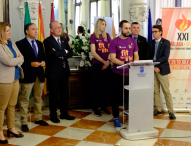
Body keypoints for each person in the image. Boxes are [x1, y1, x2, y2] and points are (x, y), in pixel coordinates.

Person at [16, 23, 49, 132]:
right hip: (27, 75)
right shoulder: (20, 44)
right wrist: (30, 64)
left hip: (39, 75)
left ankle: (38, 118)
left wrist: (44, 61)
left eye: (37, 29)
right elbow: (18, 61)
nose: (36, 31)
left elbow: (43, 56)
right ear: (27, 31)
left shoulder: (39, 43)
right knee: (24, 100)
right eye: (33, 29)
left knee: (38, 98)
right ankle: (24, 122)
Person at [44, 21, 75, 123]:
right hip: (53, 72)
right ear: (51, 30)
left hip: (64, 70)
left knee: (64, 93)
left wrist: (61, 53)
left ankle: (64, 113)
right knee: (53, 94)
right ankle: (53, 115)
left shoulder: (64, 40)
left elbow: (70, 52)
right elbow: (52, 54)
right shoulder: (47, 41)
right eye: (56, 28)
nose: (59, 29)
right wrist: (63, 52)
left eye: (60, 27)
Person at [109, 20, 139, 127]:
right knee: (116, 97)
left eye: (129, 28)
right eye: (126, 28)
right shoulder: (114, 41)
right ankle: (116, 117)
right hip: (117, 74)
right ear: (120, 29)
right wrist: (125, 63)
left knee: (129, 96)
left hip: (130, 74)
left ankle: (128, 117)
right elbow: (113, 58)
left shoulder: (133, 41)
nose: (128, 30)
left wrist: (133, 64)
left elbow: (136, 56)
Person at [0, 22, 24, 144]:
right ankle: (0, 133)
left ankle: (11, 128)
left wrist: (17, 61)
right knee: (1, 107)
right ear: (1, 32)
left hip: (16, 77)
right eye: (7, 30)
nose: (10, 32)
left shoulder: (12, 43)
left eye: (10, 30)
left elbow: (22, 57)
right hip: (4, 80)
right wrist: (17, 60)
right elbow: (8, 62)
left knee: (12, 105)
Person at [147, 25, 176, 120]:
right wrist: (153, 67)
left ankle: (171, 111)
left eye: (155, 31)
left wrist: (157, 66)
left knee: (166, 91)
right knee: (155, 91)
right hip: (153, 70)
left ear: (160, 32)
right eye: (152, 32)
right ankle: (158, 109)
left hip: (162, 70)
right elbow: (148, 57)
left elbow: (165, 57)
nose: (154, 34)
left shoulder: (166, 42)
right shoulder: (150, 43)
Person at [90, 18, 112, 116]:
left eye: (105, 24)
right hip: (97, 66)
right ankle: (95, 108)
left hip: (107, 65)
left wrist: (107, 61)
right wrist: (103, 61)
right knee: (96, 87)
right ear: (98, 25)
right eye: (102, 24)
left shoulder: (107, 35)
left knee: (105, 87)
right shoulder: (93, 36)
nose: (104, 26)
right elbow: (93, 52)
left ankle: (104, 107)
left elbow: (111, 49)